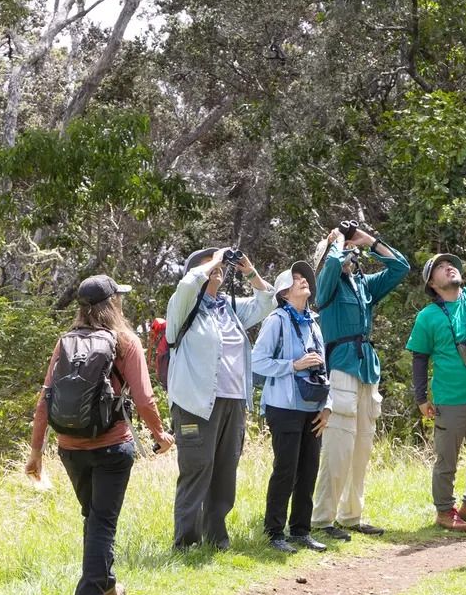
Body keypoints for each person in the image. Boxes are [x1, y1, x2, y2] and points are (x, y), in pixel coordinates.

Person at [26, 275, 175, 595]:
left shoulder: (66, 342)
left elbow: (45, 399)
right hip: (112, 447)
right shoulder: (125, 342)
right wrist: (160, 435)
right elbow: (144, 400)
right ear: (113, 305)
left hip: (70, 447)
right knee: (103, 523)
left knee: (93, 519)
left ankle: (107, 590)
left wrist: (36, 452)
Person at [166, 247, 275, 550]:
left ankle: (216, 539)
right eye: (208, 263)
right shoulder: (183, 306)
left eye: (219, 263)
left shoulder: (228, 306)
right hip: (196, 403)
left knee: (225, 470)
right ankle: (186, 543)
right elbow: (188, 284)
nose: (217, 267)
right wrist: (214, 261)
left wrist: (248, 269)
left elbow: (267, 303)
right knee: (197, 468)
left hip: (233, 400)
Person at [406, 204, 466, 532]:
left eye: (451, 263)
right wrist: (421, 398)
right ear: (432, 285)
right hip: (449, 398)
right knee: (446, 460)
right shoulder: (428, 317)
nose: (448, 267)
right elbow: (419, 359)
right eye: (441, 267)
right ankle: (445, 511)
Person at [310, 222, 410, 540]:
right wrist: (336, 241)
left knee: (361, 446)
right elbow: (328, 269)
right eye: (346, 252)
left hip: (366, 368)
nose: (350, 255)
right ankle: (322, 518)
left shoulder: (363, 285)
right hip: (340, 366)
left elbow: (400, 267)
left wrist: (368, 241)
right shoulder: (326, 286)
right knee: (338, 446)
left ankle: (351, 516)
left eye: (352, 252)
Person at [252, 261, 333, 553]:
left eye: (304, 278)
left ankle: (301, 530)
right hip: (282, 406)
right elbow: (257, 361)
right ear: (284, 292)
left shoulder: (313, 322)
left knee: (309, 468)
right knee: (285, 469)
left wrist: (328, 406)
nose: (303, 281)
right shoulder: (276, 320)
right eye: (295, 278)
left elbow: (325, 367)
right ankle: (274, 532)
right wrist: (293, 365)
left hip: (313, 406)